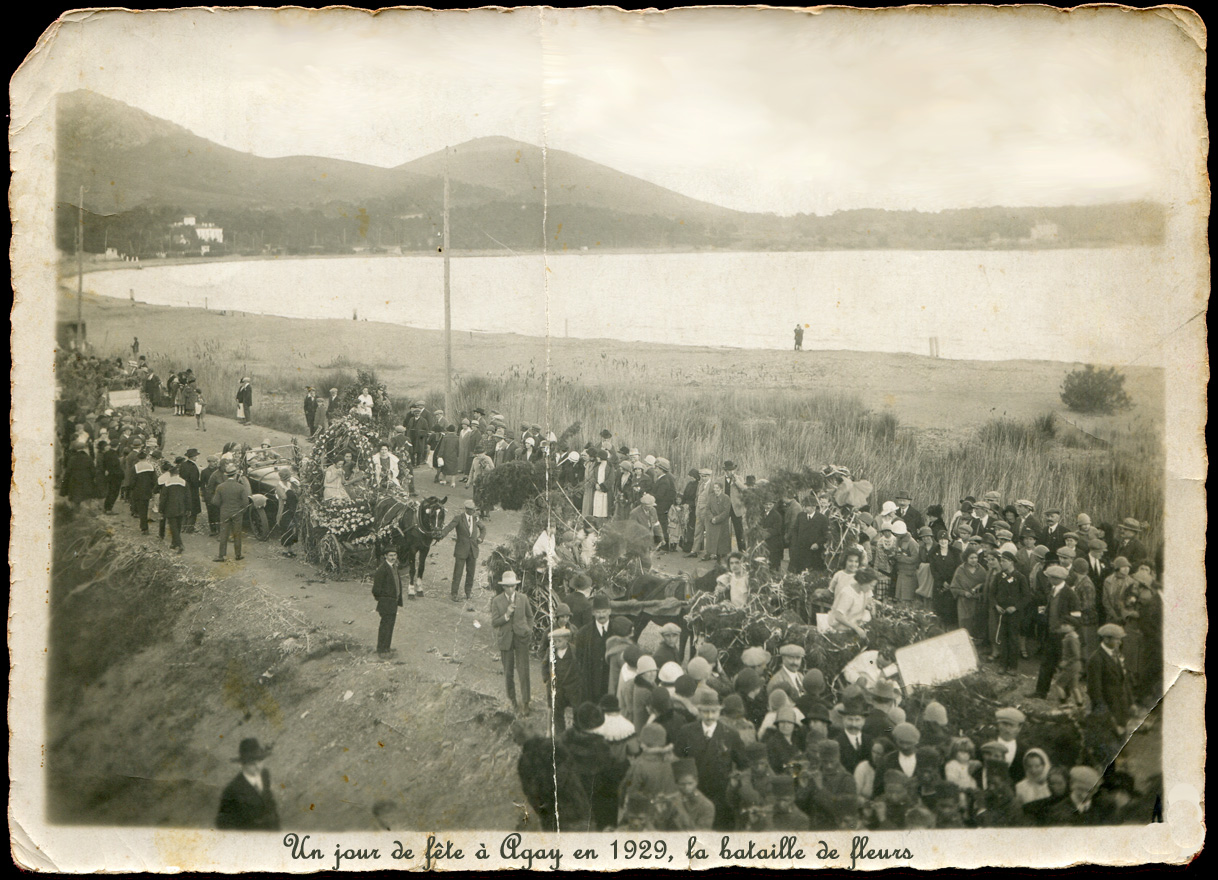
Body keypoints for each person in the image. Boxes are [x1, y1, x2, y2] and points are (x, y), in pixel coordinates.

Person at [672, 688, 747, 831]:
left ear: (719, 712)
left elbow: (744, 764)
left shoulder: (730, 734)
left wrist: (735, 781)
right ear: (699, 711)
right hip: (693, 798)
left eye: (714, 711)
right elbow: (677, 762)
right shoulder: (686, 732)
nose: (710, 716)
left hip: (721, 799)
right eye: (705, 711)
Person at [491, 571, 533, 714]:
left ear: (516, 586)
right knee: (508, 672)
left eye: (513, 586)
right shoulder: (497, 601)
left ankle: (526, 702)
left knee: (524, 671)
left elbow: (530, 616)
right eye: (507, 587)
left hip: (521, 638)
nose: (510, 589)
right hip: (506, 640)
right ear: (503, 587)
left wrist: (528, 630)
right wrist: (507, 615)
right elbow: (494, 622)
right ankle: (513, 701)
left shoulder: (523, 598)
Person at [215, 738, 280, 830]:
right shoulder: (232, 790)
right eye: (252, 764)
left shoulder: (265, 776)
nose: (258, 767)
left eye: (260, 761)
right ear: (242, 764)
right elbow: (223, 824)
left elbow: (270, 806)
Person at [439, 499, 486, 603]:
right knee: (458, 573)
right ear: (466, 509)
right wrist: (441, 534)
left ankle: (468, 592)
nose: (473, 512)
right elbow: (449, 527)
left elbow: (483, 529)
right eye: (471, 510)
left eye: (474, 510)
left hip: (473, 550)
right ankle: (454, 593)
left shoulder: (476, 519)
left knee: (471, 573)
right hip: (461, 550)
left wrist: (480, 538)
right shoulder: (459, 518)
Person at [575, 594, 613, 704]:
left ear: (610, 611)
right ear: (593, 612)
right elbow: (580, 659)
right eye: (598, 612)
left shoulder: (616, 630)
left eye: (604, 611)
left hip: (610, 682)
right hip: (592, 684)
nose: (601, 615)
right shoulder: (583, 633)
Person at [543, 628, 580, 733]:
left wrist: (578, 680)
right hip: (557, 687)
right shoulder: (551, 651)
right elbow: (545, 664)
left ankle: (577, 732)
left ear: (567, 639)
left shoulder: (574, 650)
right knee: (557, 711)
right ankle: (560, 735)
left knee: (577, 709)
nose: (556, 644)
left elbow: (580, 666)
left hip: (572, 686)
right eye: (554, 641)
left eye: (559, 641)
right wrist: (546, 678)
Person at [212, 464, 251, 562]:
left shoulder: (220, 487)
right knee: (237, 533)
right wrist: (241, 511)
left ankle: (221, 556)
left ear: (226, 475)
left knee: (224, 533)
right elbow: (246, 502)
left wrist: (223, 507)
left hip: (224, 512)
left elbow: (215, 502)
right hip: (237, 512)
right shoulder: (241, 487)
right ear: (235, 475)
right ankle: (238, 555)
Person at [372, 550, 404, 657]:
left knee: (390, 625)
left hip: (393, 602)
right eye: (390, 555)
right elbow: (376, 590)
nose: (393, 557)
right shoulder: (382, 569)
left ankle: (386, 647)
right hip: (386, 603)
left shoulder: (394, 567)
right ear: (385, 556)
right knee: (385, 626)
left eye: (394, 555)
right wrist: (384, 600)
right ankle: (381, 650)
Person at [828, 567, 876, 636]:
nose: (872, 588)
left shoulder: (863, 591)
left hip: (853, 625)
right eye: (871, 585)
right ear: (863, 582)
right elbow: (838, 616)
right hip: (839, 629)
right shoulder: (848, 593)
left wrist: (869, 606)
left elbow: (863, 602)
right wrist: (856, 628)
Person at [159, 463, 190, 553]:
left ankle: (180, 544)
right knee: (178, 525)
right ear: (178, 473)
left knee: (173, 526)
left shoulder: (167, 483)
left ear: (170, 474)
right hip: (181, 507)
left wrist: (161, 509)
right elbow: (188, 496)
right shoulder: (184, 482)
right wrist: (188, 508)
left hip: (170, 507)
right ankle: (174, 543)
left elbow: (163, 497)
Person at [703, 482, 733, 562]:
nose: (715, 489)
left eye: (717, 488)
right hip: (712, 522)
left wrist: (717, 519)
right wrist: (711, 518)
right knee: (712, 540)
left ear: (721, 489)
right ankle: (711, 553)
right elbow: (707, 508)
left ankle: (721, 557)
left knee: (721, 542)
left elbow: (726, 511)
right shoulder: (711, 497)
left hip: (722, 522)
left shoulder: (726, 498)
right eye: (714, 487)